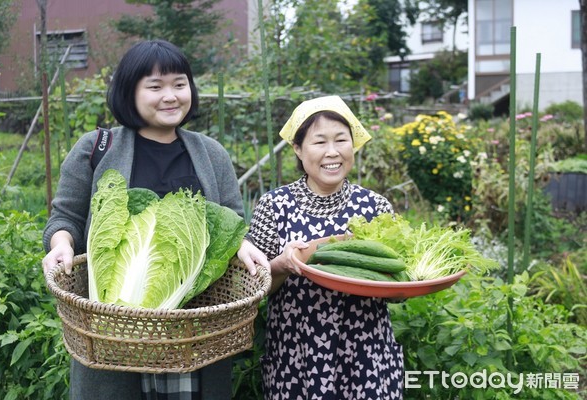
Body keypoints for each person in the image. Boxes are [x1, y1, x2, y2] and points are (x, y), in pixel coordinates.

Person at [41, 39, 268, 400]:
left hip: (193, 333)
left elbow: (231, 222)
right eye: (155, 86)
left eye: (180, 84)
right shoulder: (96, 148)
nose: (171, 96)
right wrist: (61, 245)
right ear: (129, 92)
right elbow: (64, 217)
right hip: (112, 329)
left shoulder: (211, 154)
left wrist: (244, 246)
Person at [241, 96, 404, 399]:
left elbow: (396, 287)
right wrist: (281, 265)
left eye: (341, 140)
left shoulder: (375, 207)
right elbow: (254, 288)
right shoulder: (275, 206)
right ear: (298, 149)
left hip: (366, 351)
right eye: (319, 142)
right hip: (297, 352)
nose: (333, 152)